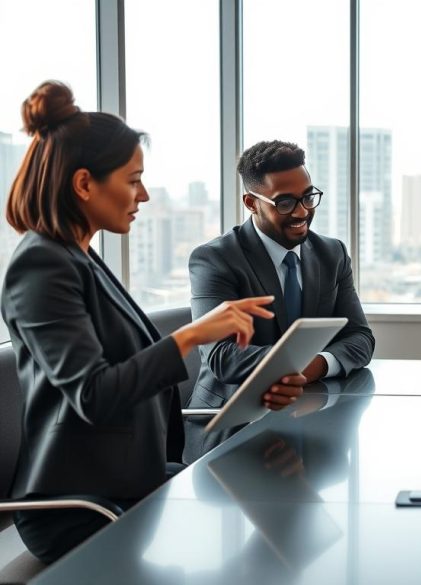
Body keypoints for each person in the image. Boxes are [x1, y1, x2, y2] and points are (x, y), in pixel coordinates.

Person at [0, 81, 294, 564]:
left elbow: (127, 378)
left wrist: (251, 391)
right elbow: (94, 395)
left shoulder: (79, 257)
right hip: (80, 508)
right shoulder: (42, 265)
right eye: (133, 179)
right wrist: (194, 335)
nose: (145, 194)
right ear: (84, 184)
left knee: (271, 515)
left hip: (125, 481)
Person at [184, 140, 375, 463]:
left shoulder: (332, 254)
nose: (302, 211)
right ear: (251, 202)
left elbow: (360, 339)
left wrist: (315, 367)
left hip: (311, 427)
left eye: (308, 197)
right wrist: (297, 366)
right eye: (284, 202)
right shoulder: (216, 259)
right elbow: (221, 355)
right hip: (229, 436)